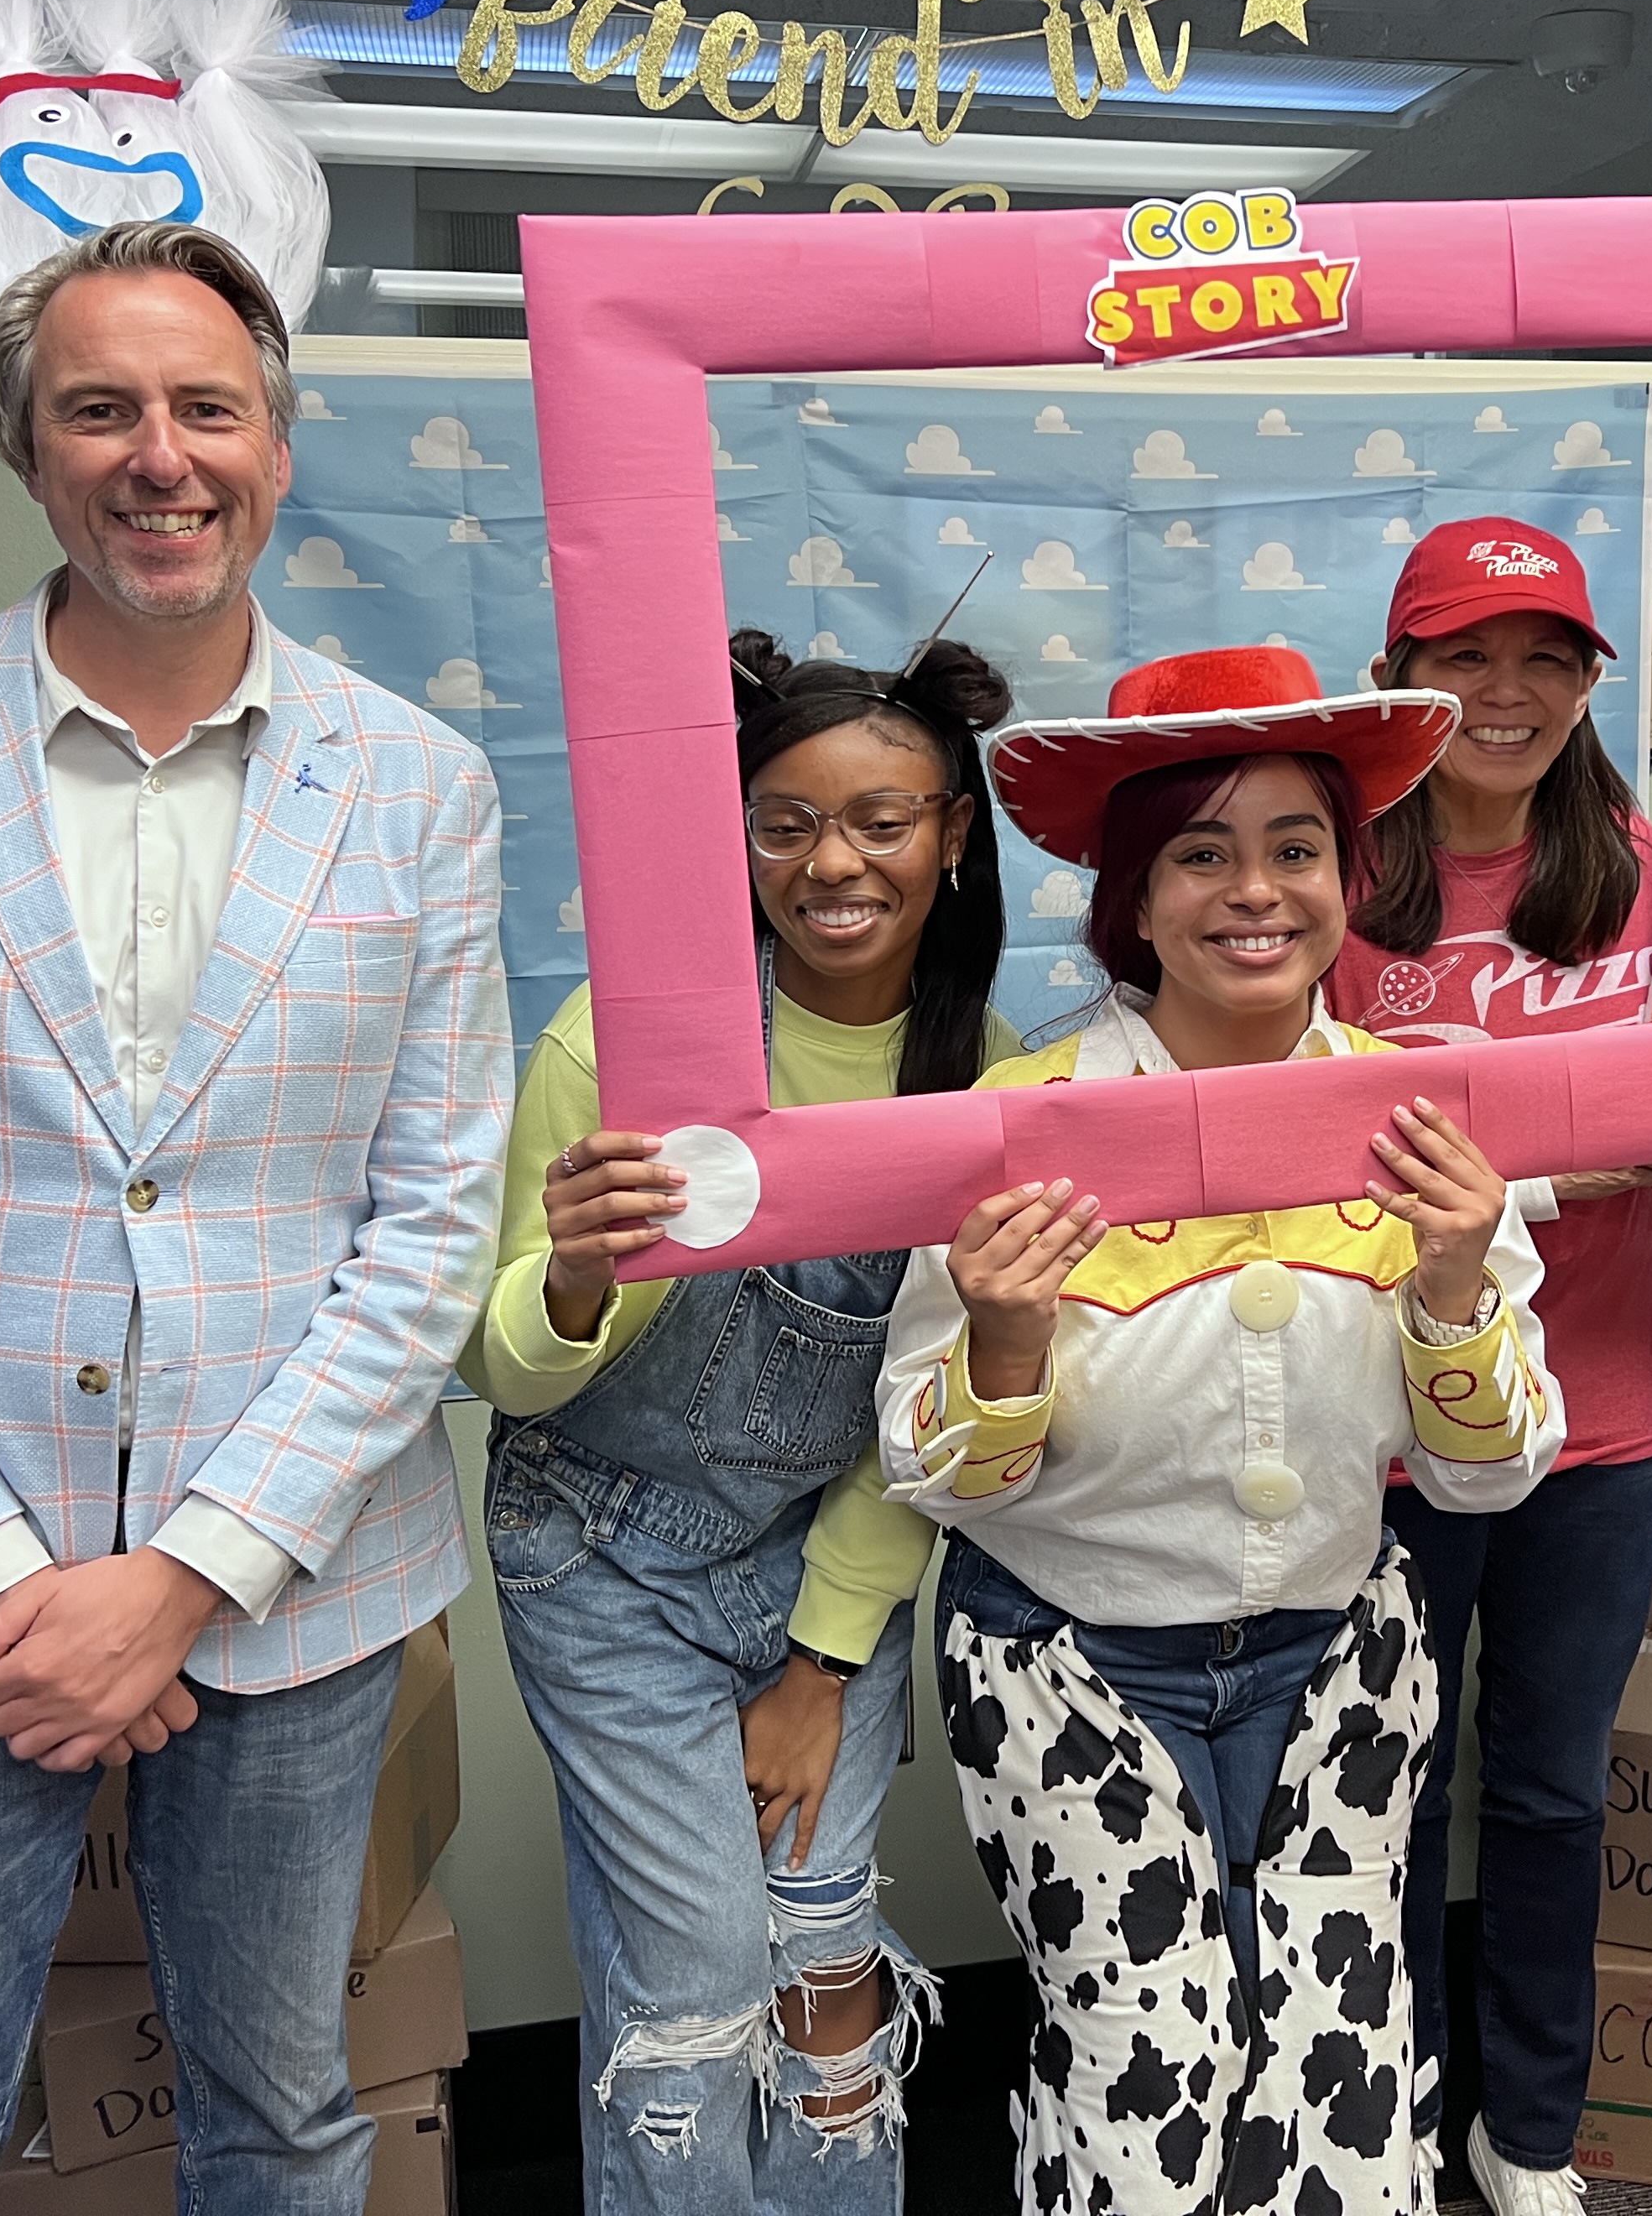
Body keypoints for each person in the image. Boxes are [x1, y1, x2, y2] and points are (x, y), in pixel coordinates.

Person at [0, 219, 510, 2213]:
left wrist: (186, 1579)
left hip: (291, 1582)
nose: (162, 454)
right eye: (102, 410)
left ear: (279, 444)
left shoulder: (418, 785)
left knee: (289, 2125)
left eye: (207, 407)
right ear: (27, 449)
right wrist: (3, 1588)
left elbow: (428, 1230)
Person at [880, 644, 1564, 2216]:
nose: (1253, 891)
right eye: (1201, 850)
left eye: (1295, 847)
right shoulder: (1024, 1126)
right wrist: (1000, 1335)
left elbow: (1488, 1466)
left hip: (1335, 1646)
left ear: (1348, 875)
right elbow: (928, 1470)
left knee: (1344, 2054)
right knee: (1139, 2067)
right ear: (1132, 895)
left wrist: (1454, 1279)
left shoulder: (1429, 1122)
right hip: (1066, 1655)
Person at [466, 628, 1019, 2213]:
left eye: (882, 818)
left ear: (954, 830)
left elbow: (935, 1420)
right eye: (783, 823)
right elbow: (508, 1368)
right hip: (599, 1554)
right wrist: (582, 1270)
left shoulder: (983, 1077)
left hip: (821, 1568)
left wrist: (820, 1660)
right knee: (695, 1983)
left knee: (825, 1946)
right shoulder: (613, 1044)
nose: (831, 859)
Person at [1323, 518, 1652, 2214]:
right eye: (1466, 653)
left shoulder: (1645, 862)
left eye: (1547, 656)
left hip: (1602, 1420)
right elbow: (1301, 1138)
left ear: (1592, 679)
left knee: (1544, 1791)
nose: (1508, 692)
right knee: (1377, 1789)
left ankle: (1527, 2130)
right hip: (1384, 1423)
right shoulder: (1328, 866)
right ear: (1402, 670)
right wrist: (1556, 1137)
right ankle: (1385, 2107)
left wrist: (1476, 1137)